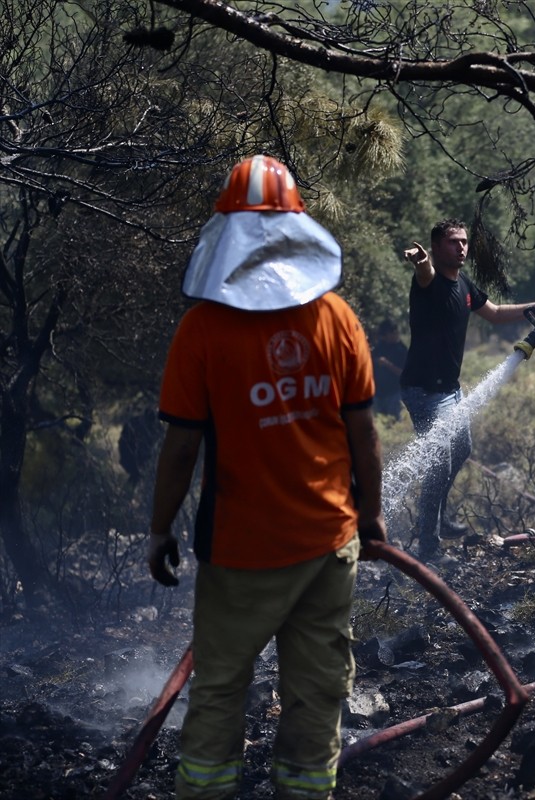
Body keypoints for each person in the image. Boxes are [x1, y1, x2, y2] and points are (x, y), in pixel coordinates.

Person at [146, 154, 385, 800]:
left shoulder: (202, 331)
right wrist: (372, 517)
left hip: (240, 555)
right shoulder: (336, 319)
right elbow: (363, 434)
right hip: (327, 547)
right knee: (317, 694)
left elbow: (180, 450)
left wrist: (159, 530)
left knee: (221, 688)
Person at [399, 218, 535, 560]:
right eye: (454, 242)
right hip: (424, 391)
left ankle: (437, 515)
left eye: (465, 241)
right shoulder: (430, 282)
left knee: (462, 449)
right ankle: (429, 546)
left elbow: (496, 313)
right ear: (437, 247)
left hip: (450, 390)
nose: (462, 247)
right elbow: (424, 272)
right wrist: (421, 261)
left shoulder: (464, 283)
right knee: (439, 463)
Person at [372, 318, 408, 418]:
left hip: (394, 394)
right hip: (378, 394)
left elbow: (404, 374)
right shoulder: (379, 347)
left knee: (394, 422)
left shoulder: (402, 350)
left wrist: (387, 364)